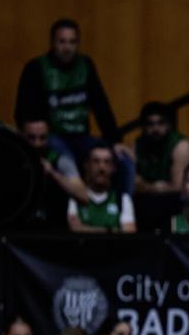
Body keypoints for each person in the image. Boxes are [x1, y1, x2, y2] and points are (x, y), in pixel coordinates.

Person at [14, 18, 122, 161]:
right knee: (68, 163)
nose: (67, 48)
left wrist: (114, 141)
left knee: (123, 160)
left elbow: (101, 105)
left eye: (72, 42)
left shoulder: (86, 65)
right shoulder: (36, 68)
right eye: (62, 41)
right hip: (52, 138)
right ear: (52, 43)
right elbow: (23, 112)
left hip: (82, 138)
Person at [20, 117, 88, 226]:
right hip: (21, 229)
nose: (37, 143)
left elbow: (83, 196)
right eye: (31, 138)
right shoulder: (14, 161)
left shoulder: (62, 162)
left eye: (42, 138)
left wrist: (53, 173)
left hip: (54, 229)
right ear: (22, 136)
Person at [67, 144, 136, 233]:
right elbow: (75, 230)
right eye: (96, 161)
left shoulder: (122, 199)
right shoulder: (75, 197)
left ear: (113, 168)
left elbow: (130, 232)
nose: (101, 167)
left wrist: (87, 228)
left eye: (107, 162)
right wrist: (111, 230)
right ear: (86, 165)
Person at [133, 101, 189, 195]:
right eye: (150, 124)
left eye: (161, 123)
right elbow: (132, 182)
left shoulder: (181, 147)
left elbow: (179, 189)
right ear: (143, 127)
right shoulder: (139, 144)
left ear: (169, 125)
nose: (156, 128)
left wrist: (145, 186)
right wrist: (153, 187)